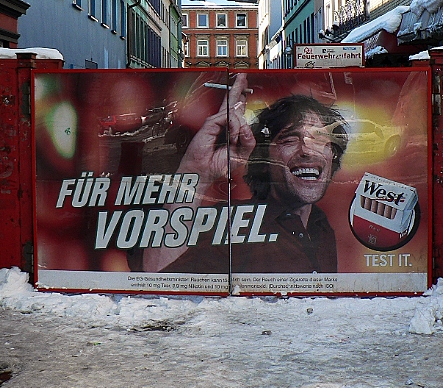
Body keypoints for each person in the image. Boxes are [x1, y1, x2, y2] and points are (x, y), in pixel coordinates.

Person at [141, 73, 349, 273]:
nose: (307, 150)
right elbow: (161, 274)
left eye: (320, 138)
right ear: (264, 159)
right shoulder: (235, 222)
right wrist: (197, 172)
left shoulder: (321, 226)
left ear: (333, 154)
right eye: (290, 140)